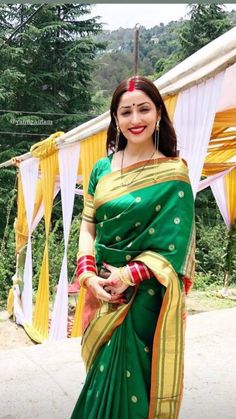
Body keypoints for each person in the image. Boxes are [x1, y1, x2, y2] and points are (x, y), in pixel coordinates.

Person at [71, 76, 195, 419]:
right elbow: (88, 225)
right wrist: (87, 277)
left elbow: (175, 245)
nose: (135, 119)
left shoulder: (173, 174)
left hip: (144, 301)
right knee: (99, 383)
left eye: (144, 109)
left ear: (158, 114)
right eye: (126, 112)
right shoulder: (101, 169)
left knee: (135, 393)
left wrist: (129, 275)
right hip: (101, 295)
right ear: (115, 119)